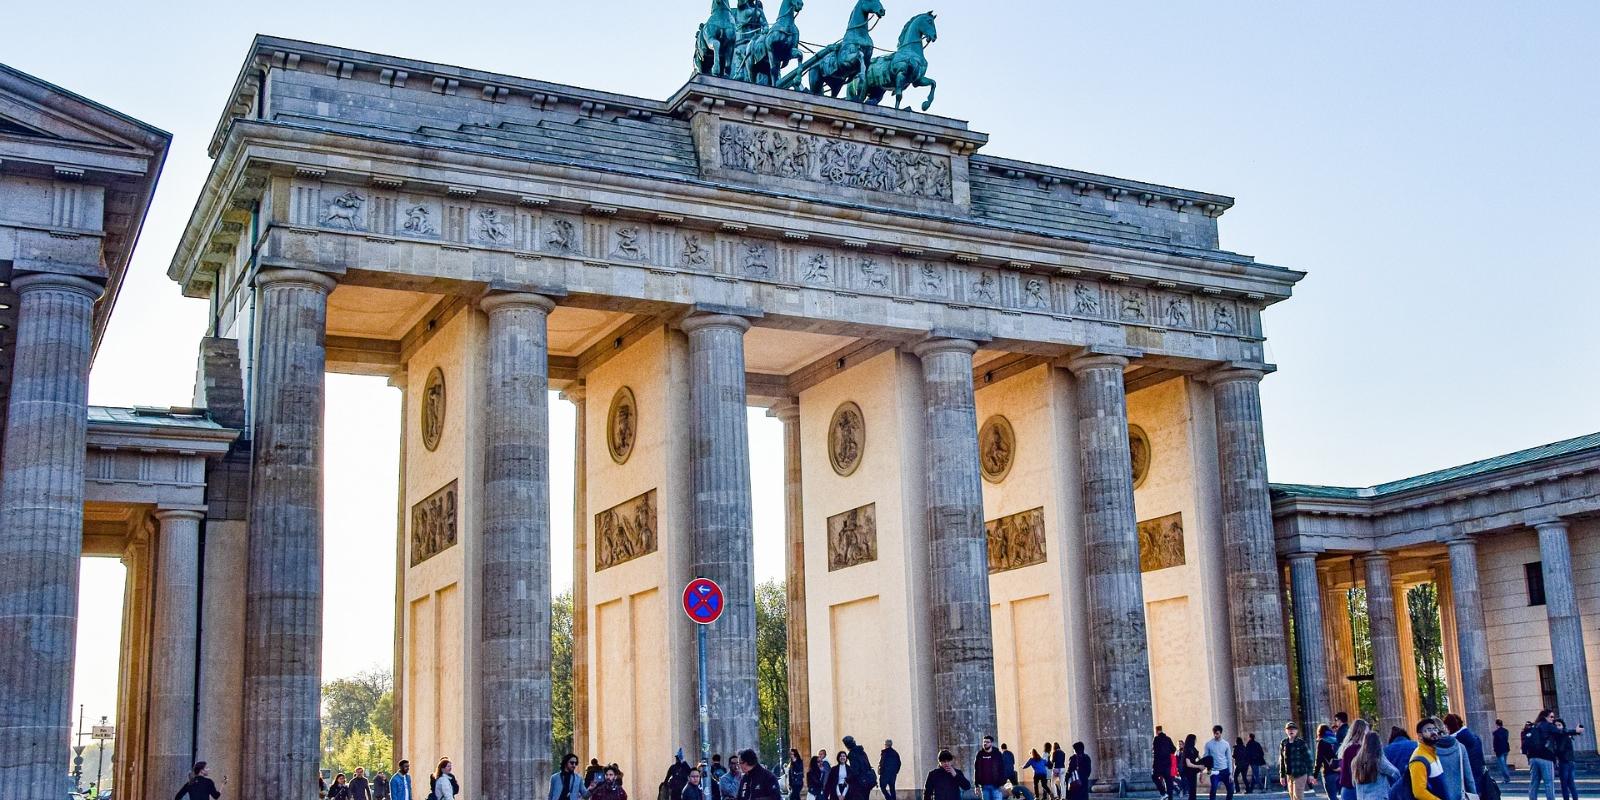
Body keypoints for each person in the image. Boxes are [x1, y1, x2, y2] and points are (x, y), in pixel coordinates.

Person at [1442, 714, 1488, 797]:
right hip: (1479, 781)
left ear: (1448, 727)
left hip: (1464, 785)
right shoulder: (1475, 737)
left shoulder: (1455, 743)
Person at [1346, 731, 1400, 800]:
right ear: (1378, 744)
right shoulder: (1378, 761)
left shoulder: (1355, 762)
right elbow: (1396, 773)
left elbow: (1354, 783)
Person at [1405, 718, 1448, 800]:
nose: (1434, 732)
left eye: (1434, 729)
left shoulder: (1434, 753)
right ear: (1420, 736)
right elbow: (1419, 792)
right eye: (1429, 730)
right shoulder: (1418, 760)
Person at [1435, 725, 1478, 800]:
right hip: (1460, 796)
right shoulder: (1460, 748)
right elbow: (1469, 778)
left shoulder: (1430, 751)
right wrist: (1474, 795)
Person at [1526, 710, 1560, 800]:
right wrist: (1575, 731)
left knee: (1534, 783)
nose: (1553, 719)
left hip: (1533, 757)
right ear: (1545, 717)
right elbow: (1560, 732)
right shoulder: (1548, 726)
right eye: (1551, 717)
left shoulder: (1534, 726)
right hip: (1546, 757)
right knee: (1549, 783)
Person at [1337, 719, 1372, 800]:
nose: (1368, 734)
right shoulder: (1356, 749)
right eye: (1367, 731)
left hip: (1348, 789)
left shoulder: (1348, 747)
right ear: (1361, 732)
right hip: (1354, 789)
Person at [1551, 718, 1582, 800]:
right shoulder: (1565, 735)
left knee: (1564, 784)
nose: (1557, 727)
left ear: (1563, 726)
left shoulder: (1562, 736)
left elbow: (1560, 749)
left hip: (1564, 762)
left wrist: (1554, 752)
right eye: (1555, 725)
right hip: (1570, 761)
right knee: (1571, 783)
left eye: (1559, 725)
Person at [1281, 723, 1314, 800]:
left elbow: (1308, 759)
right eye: (1289, 729)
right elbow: (1282, 760)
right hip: (1289, 774)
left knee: (1298, 796)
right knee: (1292, 797)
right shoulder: (1284, 743)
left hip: (1300, 773)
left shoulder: (1301, 743)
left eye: (1293, 729)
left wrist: (1310, 774)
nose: (1291, 730)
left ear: (1297, 731)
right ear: (1286, 731)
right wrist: (1282, 776)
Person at [1205, 726, 1236, 800]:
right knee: (1213, 790)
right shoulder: (1209, 744)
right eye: (1214, 733)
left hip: (1225, 770)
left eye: (1217, 733)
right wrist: (1208, 771)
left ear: (1221, 733)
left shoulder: (1226, 744)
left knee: (1231, 790)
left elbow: (1229, 758)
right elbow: (1206, 758)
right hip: (1215, 771)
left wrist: (1231, 773)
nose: (1215, 735)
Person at [1316, 725, 1342, 800]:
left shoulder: (1322, 741)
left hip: (1328, 772)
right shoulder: (1336, 740)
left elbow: (1319, 759)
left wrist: (1315, 775)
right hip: (1340, 771)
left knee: (1332, 797)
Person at [1153, 728, 1178, 799]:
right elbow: (1174, 749)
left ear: (1157, 731)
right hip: (1168, 764)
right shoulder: (1168, 739)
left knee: (1154, 777)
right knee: (1169, 782)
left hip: (1159, 765)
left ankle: (1163, 793)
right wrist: (1168, 753)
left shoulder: (1156, 739)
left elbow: (1156, 752)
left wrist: (1154, 765)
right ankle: (1170, 798)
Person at [1180, 734, 1204, 800]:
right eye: (1195, 739)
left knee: (1193, 790)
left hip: (1193, 770)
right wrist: (1199, 766)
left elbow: (1201, 760)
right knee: (1192, 789)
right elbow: (1188, 764)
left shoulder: (1194, 749)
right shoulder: (1187, 749)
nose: (1196, 741)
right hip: (1188, 771)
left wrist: (1201, 773)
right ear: (1192, 740)